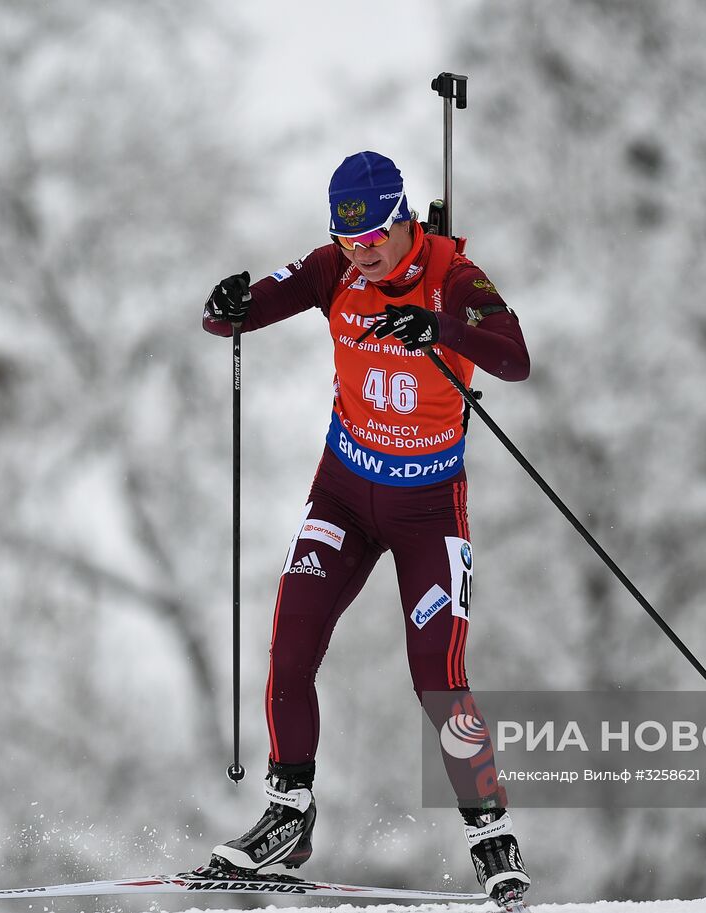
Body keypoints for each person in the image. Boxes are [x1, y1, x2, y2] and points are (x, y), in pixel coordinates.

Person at [198, 151, 531, 905]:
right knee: (290, 645)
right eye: (349, 241)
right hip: (344, 496)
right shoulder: (335, 270)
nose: (364, 253)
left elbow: (514, 359)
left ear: (403, 217)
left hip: (427, 506)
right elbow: (233, 314)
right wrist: (227, 304)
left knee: (437, 675)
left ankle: (491, 835)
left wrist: (442, 325)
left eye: (376, 237)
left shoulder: (453, 273)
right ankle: (290, 813)